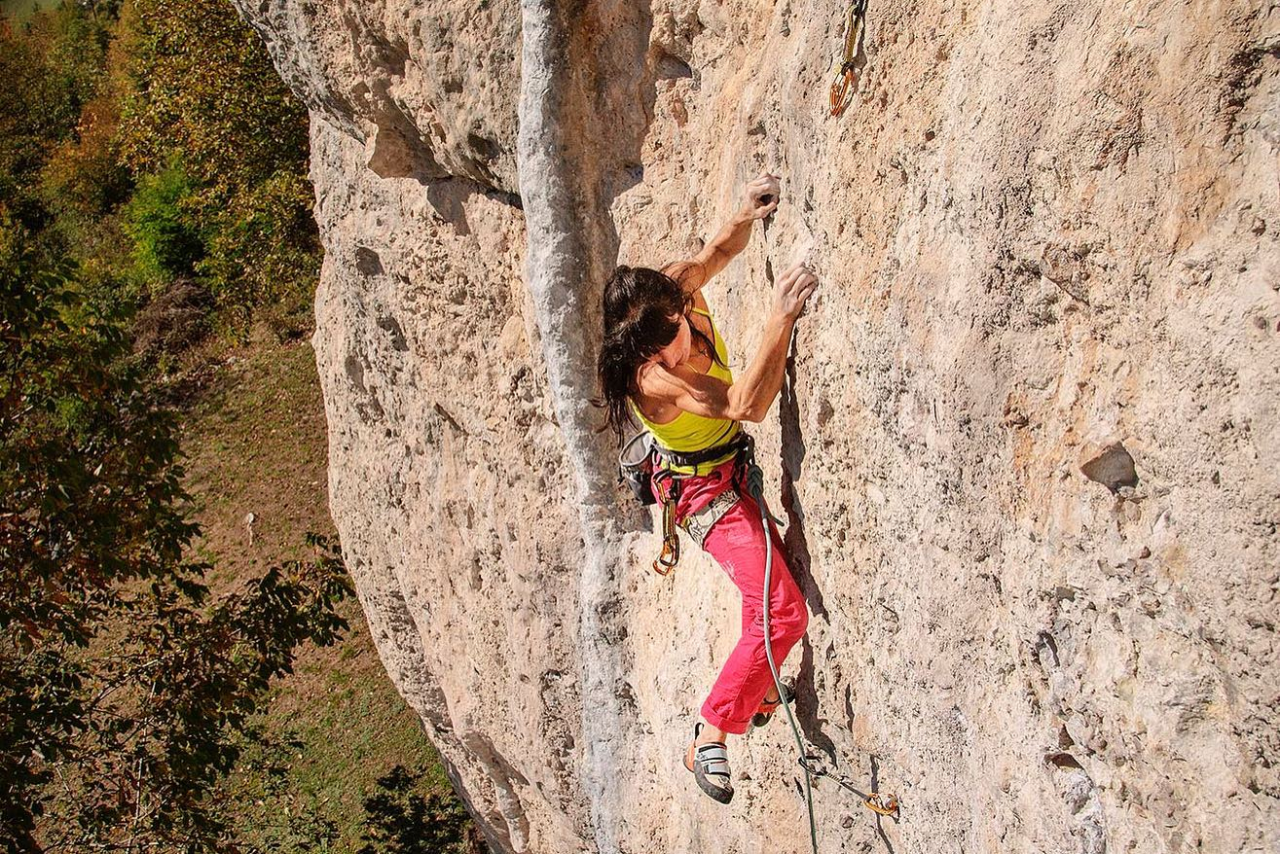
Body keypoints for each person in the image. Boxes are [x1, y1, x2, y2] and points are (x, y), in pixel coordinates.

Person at [596, 173, 818, 804]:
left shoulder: (670, 298)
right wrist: (781, 317)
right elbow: (747, 402)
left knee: (769, 607)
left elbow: (713, 253)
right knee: (783, 611)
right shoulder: (654, 381)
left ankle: (761, 689)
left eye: (685, 327)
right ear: (647, 354)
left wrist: (742, 212)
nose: (690, 345)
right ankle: (712, 728)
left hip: (730, 472)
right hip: (705, 499)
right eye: (674, 347)